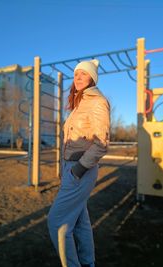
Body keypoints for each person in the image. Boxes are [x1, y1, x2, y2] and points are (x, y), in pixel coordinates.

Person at [47, 59, 110, 267]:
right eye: (76, 74)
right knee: (81, 222)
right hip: (71, 169)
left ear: (92, 78)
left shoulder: (97, 102)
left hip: (81, 170)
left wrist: (78, 169)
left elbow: (101, 144)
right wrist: (65, 169)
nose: (78, 77)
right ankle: (88, 263)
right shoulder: (79, 103)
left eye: (84, 73)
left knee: (57, 223)